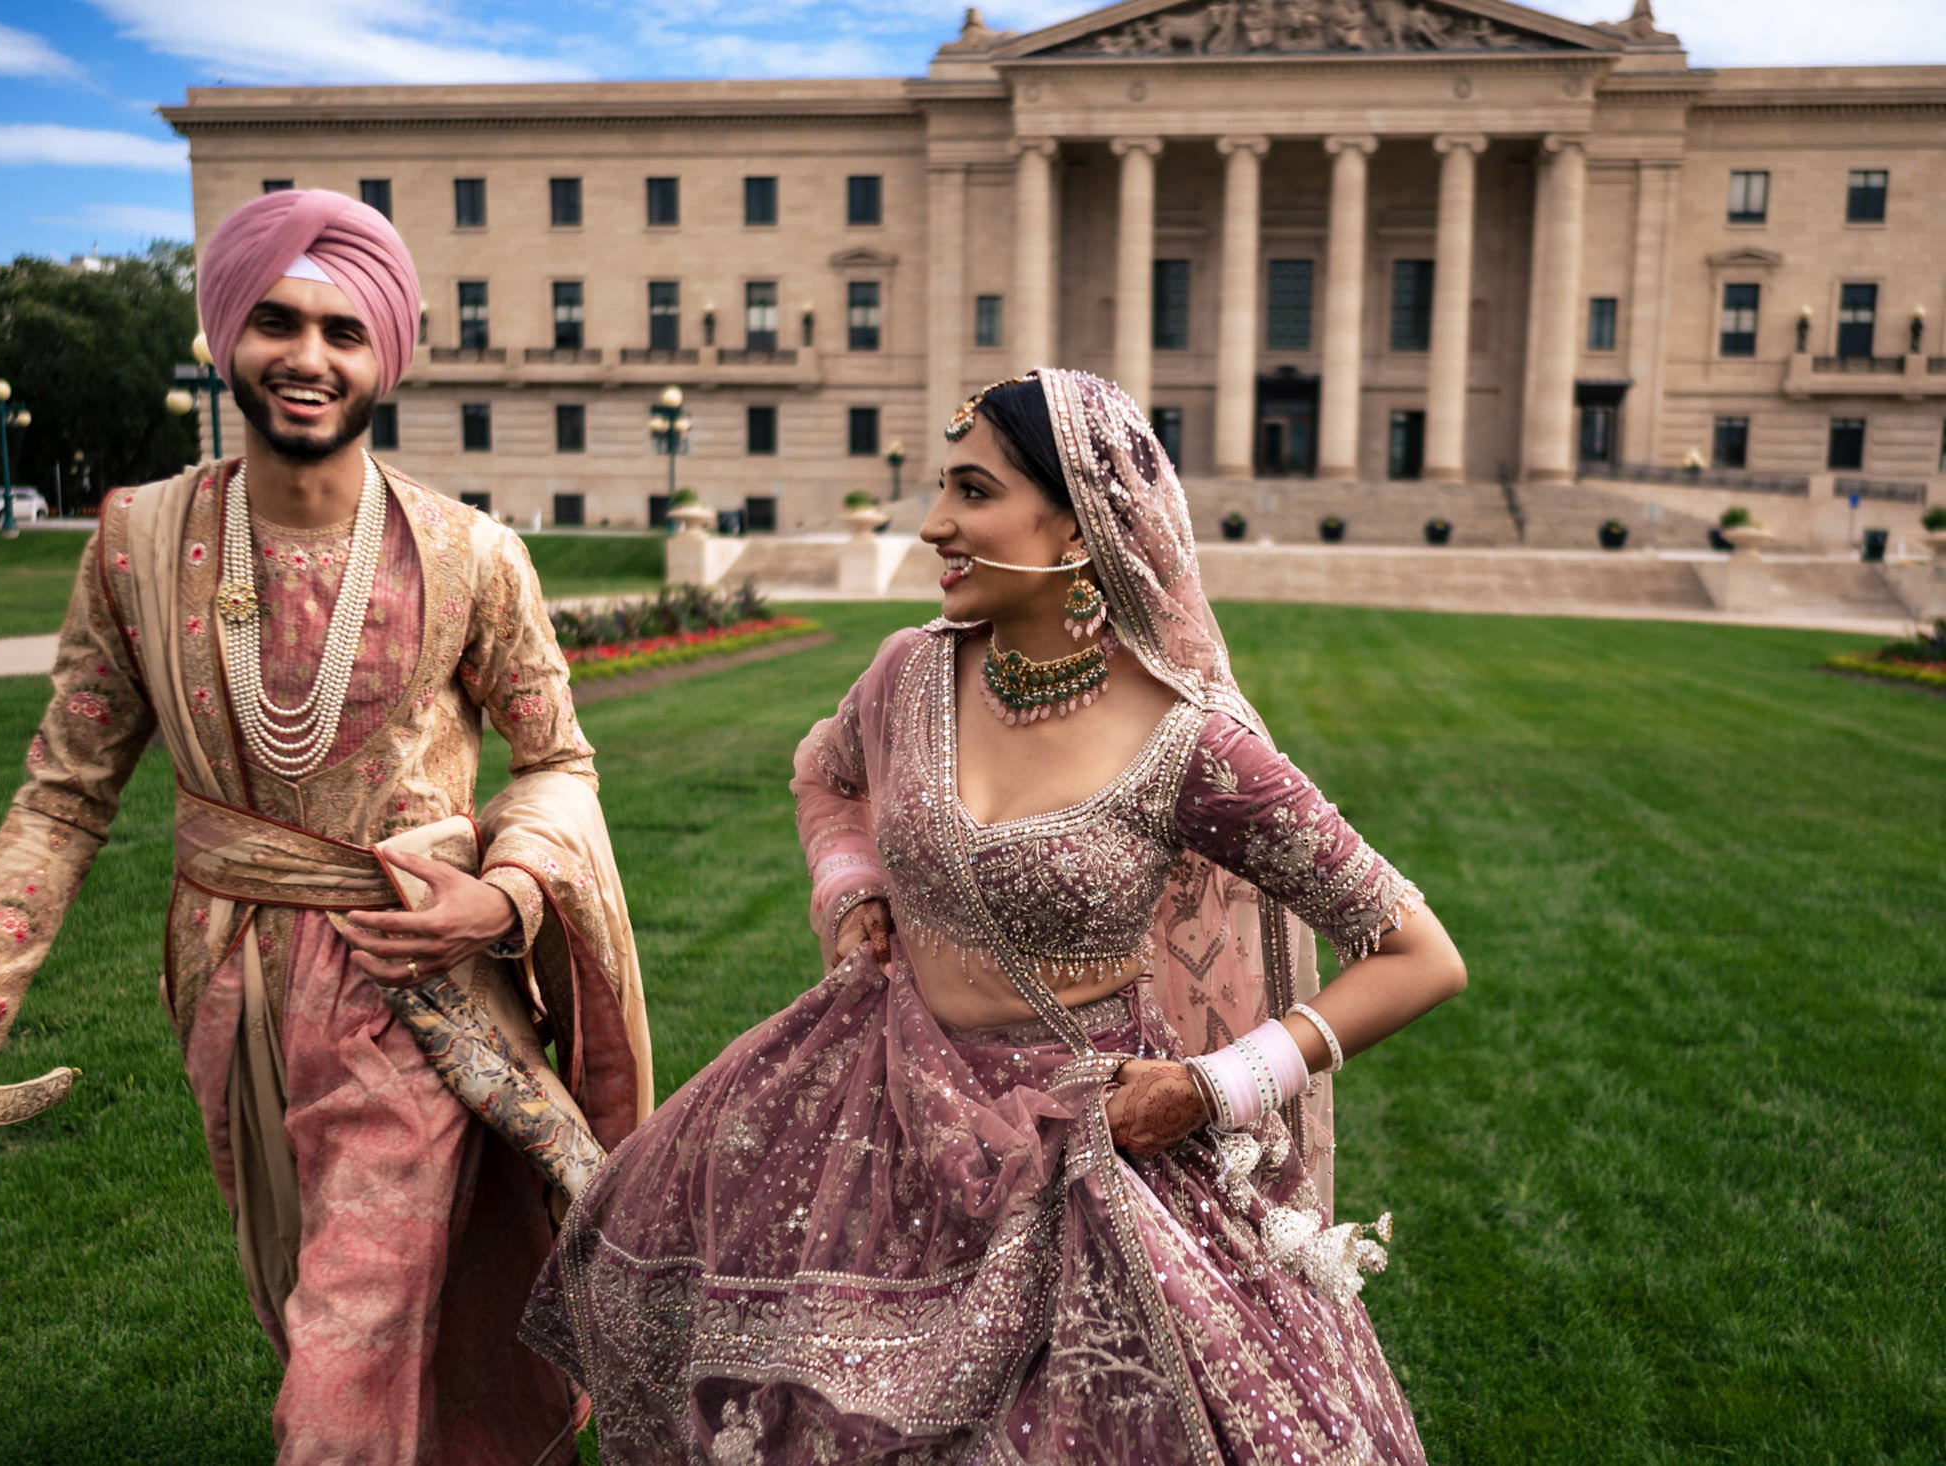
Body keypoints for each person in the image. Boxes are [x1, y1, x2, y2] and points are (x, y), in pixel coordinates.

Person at [521, 369, 1465, 1464]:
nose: (933, 523)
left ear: (1074, 521)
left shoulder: (1190, 740)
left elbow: (1417, 953)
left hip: (1088, 1129)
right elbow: (824, 775)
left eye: (971, 491)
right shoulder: (907, 672)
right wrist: (853, 892)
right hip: (871, 1101)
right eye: (939, 488)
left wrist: (1215, 1084)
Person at [0, 187, 651, 1466]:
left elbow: (561, 759)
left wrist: (507, 894)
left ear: (385, 358)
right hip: (225, 978)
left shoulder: (470, 554)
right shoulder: (136, 542)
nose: (309, 356)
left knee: (347, 1339)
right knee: (315, 1299)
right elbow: (67, 791)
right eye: (279, 323)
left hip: (416, 978)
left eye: (345, 333)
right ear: (227, 333)